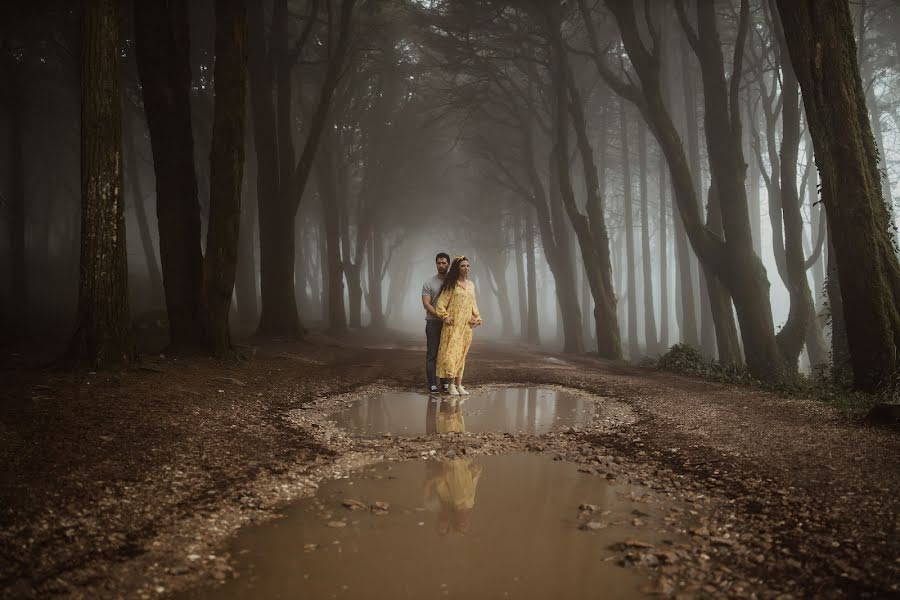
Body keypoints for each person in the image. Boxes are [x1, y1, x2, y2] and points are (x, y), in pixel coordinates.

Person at [434, 256, 483, 396]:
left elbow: (473, 304)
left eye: (468, 266)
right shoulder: (451, 284)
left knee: (462, 356)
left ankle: (459, 384)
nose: (466, 268)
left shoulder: (472, 285)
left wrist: (477, 318)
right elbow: (440, 304)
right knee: (451, 355)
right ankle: (450, 385)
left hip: (466, 327)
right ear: (457, 268)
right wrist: (445, 317)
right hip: (452, 326)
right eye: (463, 266)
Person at [422, 252, 450, 394]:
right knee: (432, 353)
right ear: (436, 264)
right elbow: (426, 304)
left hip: (449, 324)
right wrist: (441, 315)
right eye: (439, 263)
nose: (441, 265)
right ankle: (432, 384)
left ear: (448, 264)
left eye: (444, 263)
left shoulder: (453, 282)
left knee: (445, 353)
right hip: (433, 323)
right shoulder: (429, 283)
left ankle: (445, 383)